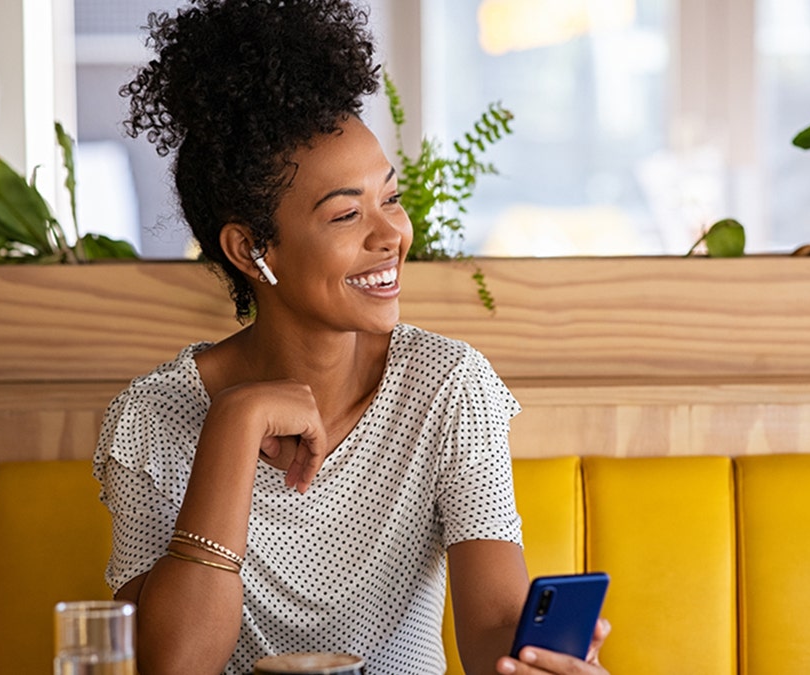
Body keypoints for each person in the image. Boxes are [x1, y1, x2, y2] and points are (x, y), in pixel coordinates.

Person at [92, 1, 611, 674]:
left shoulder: (447, 385)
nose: (392, 233)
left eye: (389, 198)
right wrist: (234, 424)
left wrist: (540, 664)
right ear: (252, 249)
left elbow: (492, 633)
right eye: (346, 213)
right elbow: (171, 667)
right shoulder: (151, 419)